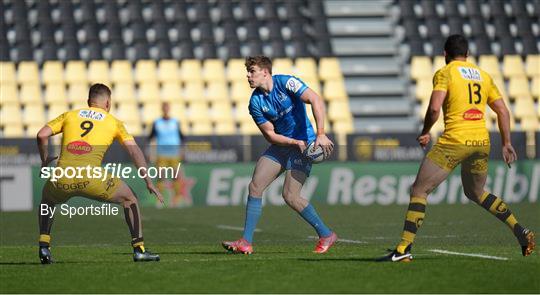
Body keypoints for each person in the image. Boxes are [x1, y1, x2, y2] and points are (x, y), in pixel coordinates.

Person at [378, 35, 535, 262]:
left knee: (419, 190)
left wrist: (425, 131)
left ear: (445, 54)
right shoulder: (484, 75)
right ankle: (519, 230)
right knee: (477, 193)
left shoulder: (445, 72)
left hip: (455, 141)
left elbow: (434, 109)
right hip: (481, 142)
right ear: (468, 55)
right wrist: (506, 143)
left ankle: (403, 250)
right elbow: (503, 111)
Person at [221, 56, 337, 254]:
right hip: (284, 145)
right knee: (255, 186)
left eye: (252, 72)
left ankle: (326, 234)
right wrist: (293, 142)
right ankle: (246, 242)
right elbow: (270, 135)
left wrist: (320, 134)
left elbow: (315, 99)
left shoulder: (286, 83)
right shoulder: (255, 102)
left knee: (290, 196)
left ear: (265, 72)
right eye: (247, 72)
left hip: (306, 145)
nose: (248, 76)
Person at [37, 83, 163, 263]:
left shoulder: (70, 115)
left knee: (47, 201)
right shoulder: (114, 122)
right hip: (92, 178)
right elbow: (135, 152)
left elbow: (41, 135)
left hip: (61, 177)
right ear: (108, 103)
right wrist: (148, 181)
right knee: (130, 199)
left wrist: (44, 160)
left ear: (89, 101)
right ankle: (139, 249)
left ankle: (44, 247)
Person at [148, 101, 189, 207]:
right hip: (161, 154)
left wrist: (183, 151)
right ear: (162, 109)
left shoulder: (175, 122)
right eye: (164, 107)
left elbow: (182, 138)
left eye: (167, 107)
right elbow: (151, 138)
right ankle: (159, 200)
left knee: (176, 177)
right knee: (161, 177)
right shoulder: (157, 123)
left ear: (169, 109)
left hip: (174, 154)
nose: (166, 109)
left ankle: (176, 201)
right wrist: (151, 153)